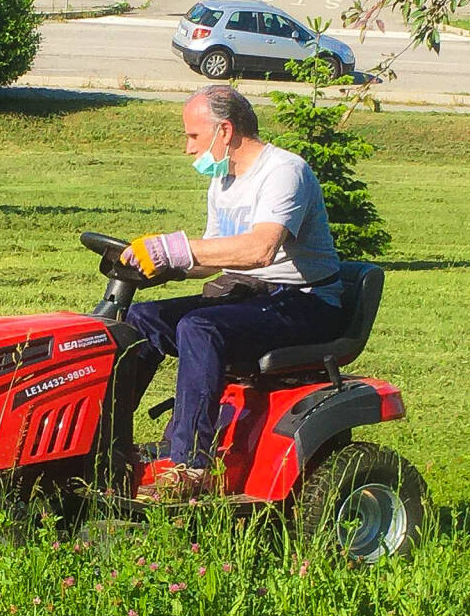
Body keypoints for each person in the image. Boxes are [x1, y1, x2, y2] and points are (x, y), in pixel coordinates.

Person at [122, 84, 345, 497]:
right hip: (256, 296)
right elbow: (213, 258)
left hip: (308, 304)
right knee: (142, 319)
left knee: (200, 327)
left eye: (193, 136)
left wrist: (176, 248)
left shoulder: (283, 172)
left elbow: (260, 250)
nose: (189, 149)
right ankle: (109, 443)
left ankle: (191, 467)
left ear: (224, 131)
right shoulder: (223, 181)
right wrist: (159, 265)